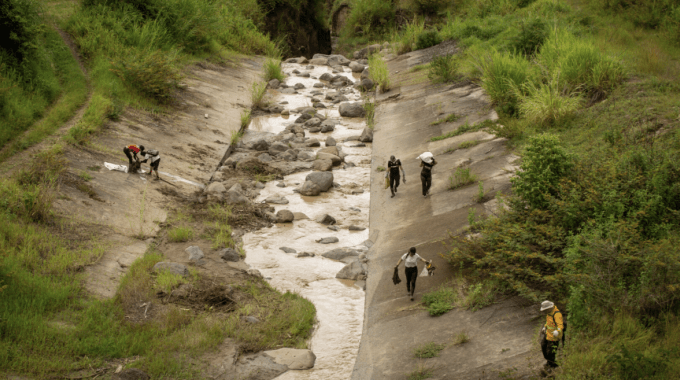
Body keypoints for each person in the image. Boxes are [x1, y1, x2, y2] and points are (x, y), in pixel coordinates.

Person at [540, 300, 563, 369]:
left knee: (551, 352)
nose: (544, 311)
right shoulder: (548, 313)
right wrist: (545, 327)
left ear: (549, 308)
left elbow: (560, 325)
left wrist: (557, 331)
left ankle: (553, 366)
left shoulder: (557, 314)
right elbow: (548, 322)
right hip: (548, 334)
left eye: (545, 310)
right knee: (543, 346)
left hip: (554, 337)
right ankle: (549, 362)